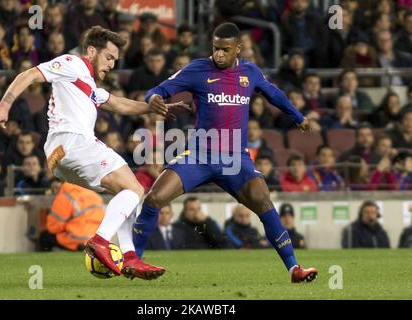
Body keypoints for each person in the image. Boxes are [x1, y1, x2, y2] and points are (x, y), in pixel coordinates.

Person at [0, 26, 186, 280]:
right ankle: (102, 240)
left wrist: (155, 108)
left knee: (127, 193)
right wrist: (5, 104)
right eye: (109, 57)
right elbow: (29, 75)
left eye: (115, 61)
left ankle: (130, 257)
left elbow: (118, 104)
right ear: (91, 51)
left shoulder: (89, 85)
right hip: (74, 142)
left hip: (58, 158)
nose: (112, 65)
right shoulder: (71, 63)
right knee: (135, 190)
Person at [132, 23, 317, 283]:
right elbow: (160, 89)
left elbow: (273, 94)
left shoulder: (250, 72)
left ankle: (294, 268)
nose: (218, 54)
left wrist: (297, 116)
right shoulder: (197, 68)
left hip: (234, 158)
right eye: (215, 48)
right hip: (199, 154)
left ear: (238, 49)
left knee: (263, 201)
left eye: (225, 49)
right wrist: (152, 98)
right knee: (153, 199)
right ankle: (133, 261)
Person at [39, 182, 105, 252]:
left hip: (77, 239)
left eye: (54, 188)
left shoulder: (65, 196)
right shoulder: (94, 195)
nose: (54, 191)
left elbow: (53, 227)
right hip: (96, 240)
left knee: (45, 236)